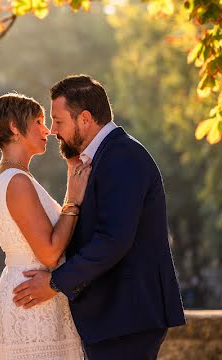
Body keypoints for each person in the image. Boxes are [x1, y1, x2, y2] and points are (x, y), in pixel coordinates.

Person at [12, 75, 186, 359]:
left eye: (58, 121)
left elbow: (113, 239)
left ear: (84, 119)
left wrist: (55, 282)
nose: (53, 131)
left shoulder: (122, 156)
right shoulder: (103, 156)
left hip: (126, 316)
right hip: (114, 317)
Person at [0, 93, 90, 359]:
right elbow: (49, 252)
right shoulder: (16, 181)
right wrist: (73, 201)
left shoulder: (14, 178)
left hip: (36, 293)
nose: (48, 130)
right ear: (14, 128)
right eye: (39, 122)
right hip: (33, 297)